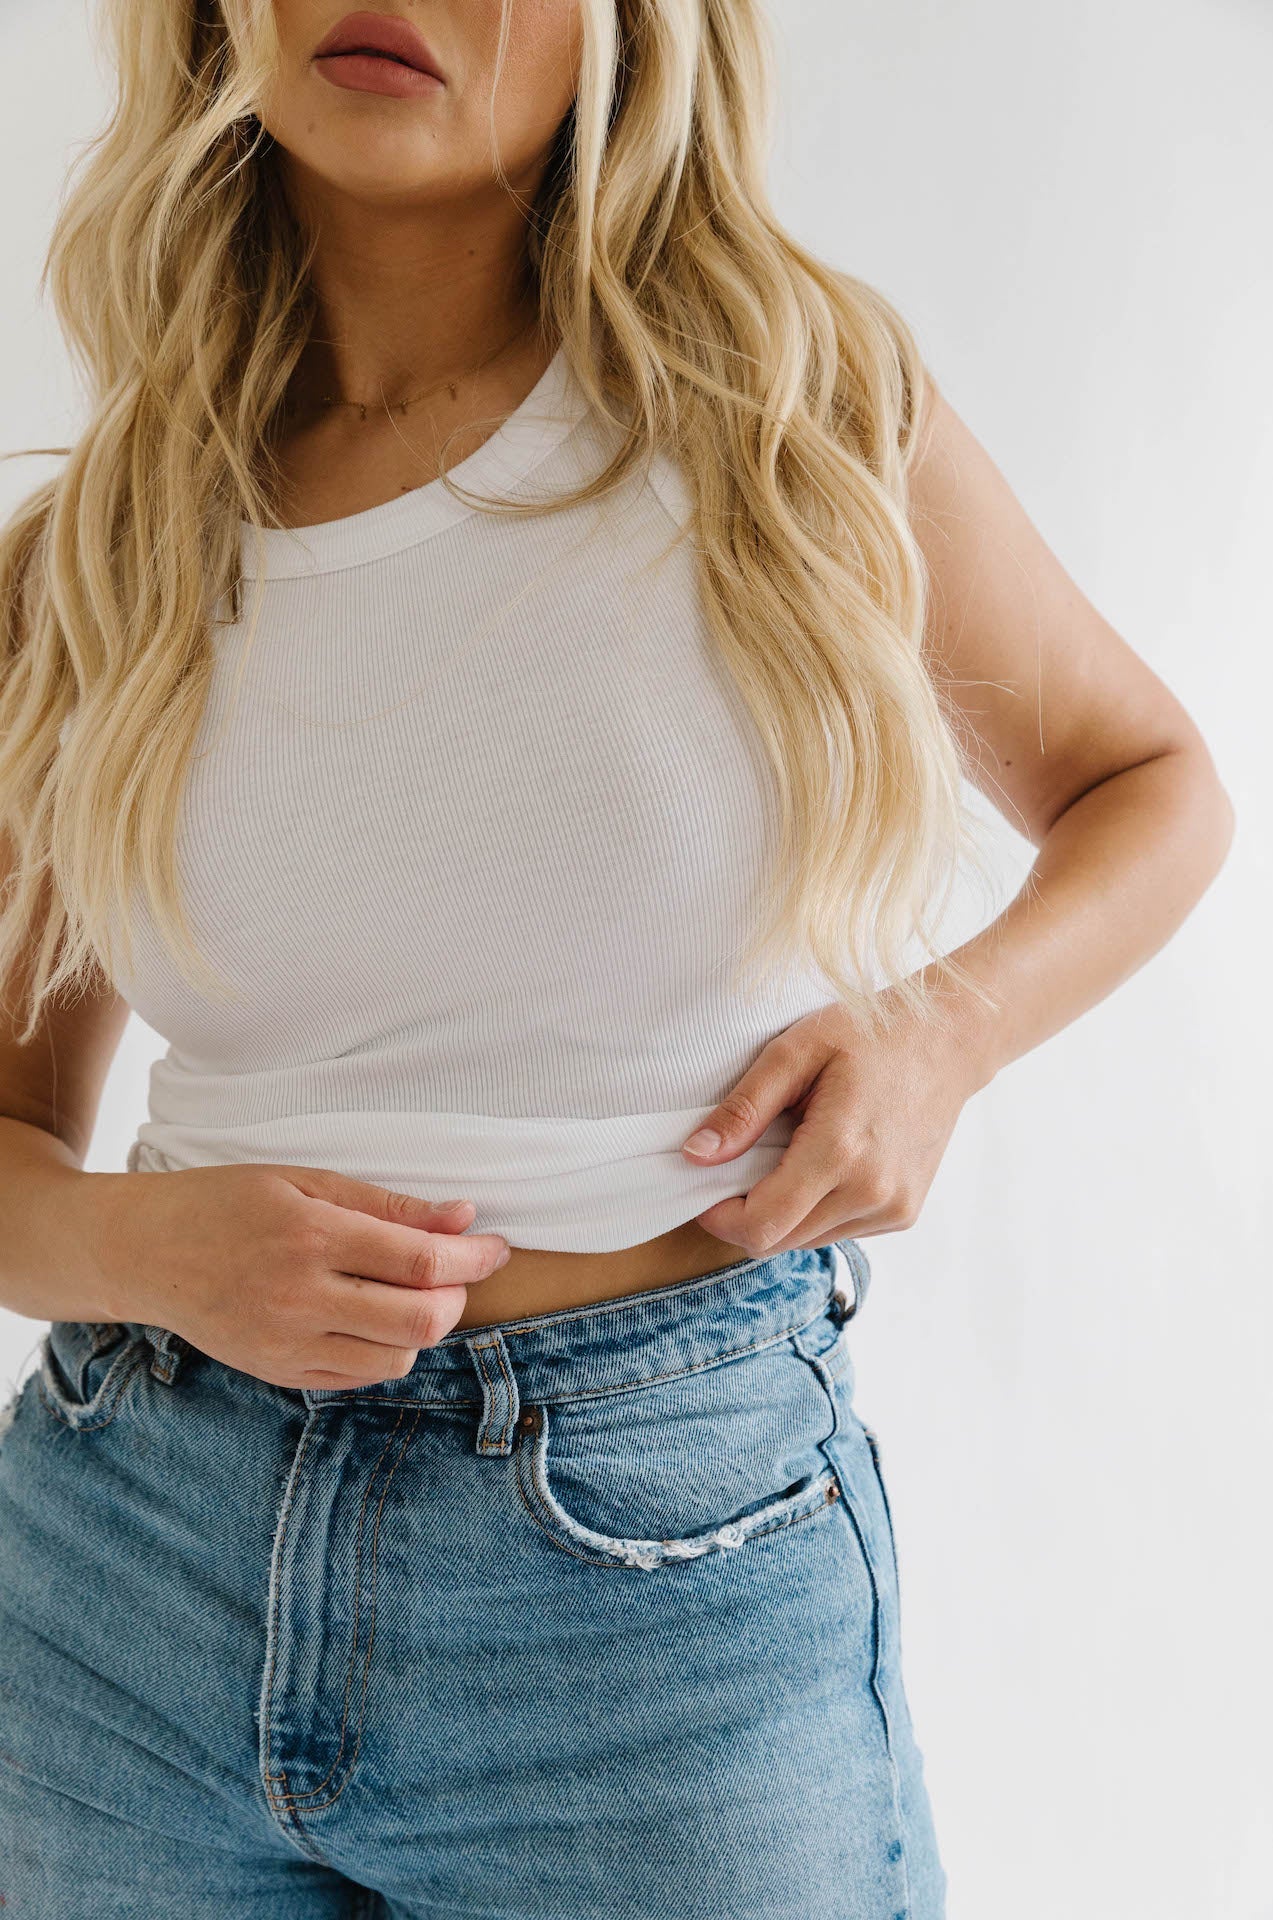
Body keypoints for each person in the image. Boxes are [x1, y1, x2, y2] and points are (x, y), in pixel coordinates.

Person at [0, 2, 1234, 1915]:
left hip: (662, 1580)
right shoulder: (105, 551)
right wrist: (144, 1249)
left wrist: (944, 1034)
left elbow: (1148, 785)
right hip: (122, 1567)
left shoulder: (790, 415)